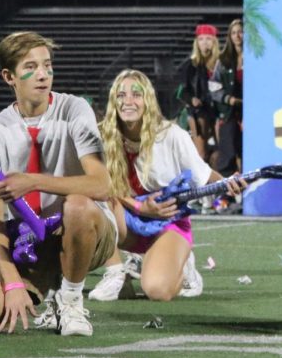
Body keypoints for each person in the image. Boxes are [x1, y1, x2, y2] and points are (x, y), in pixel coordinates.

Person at [88, 70, 244, 303]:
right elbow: (99, 185)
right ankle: (115, 272)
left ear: (148, 100)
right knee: (91, 199)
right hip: (127, 222)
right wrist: (139, 208)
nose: (128, 101)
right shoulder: (102, 136)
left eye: (136, 95)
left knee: (157, 291)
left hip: (166, 222)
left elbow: (202, 172)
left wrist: (226, 182)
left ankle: (183, 267)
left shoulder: (171, 135)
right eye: (121, 95)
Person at [0, 32, 117, 336]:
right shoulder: (1, 128)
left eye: (47, 65)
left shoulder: (74, 109)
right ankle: (42, 291)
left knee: (77, 205)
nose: (42, 74)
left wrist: (33, 182)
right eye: (31, 66)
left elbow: (101, 185)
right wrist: (11, 283)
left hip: (81, 230)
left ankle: (71, 300)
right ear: (9, 76)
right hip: (27, 244)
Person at [180, 24, 220, 163]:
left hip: (218, 110)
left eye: (208, 39)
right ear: (197, 42)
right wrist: (192, 99)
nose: (204, 42)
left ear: (214, 42)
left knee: (221, 153)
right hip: (199, 111)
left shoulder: (220, 64)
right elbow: (182, 91)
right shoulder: (190, 65)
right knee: (200, 155)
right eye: (201, 39)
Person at [212, 19, 244, 182]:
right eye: (233, 33)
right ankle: (226, 197)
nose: (237, 36)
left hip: (250, 112)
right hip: (229, 112)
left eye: (240, 31)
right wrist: (227, 99)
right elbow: (213, 86)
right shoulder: (223, 60)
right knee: (227, 154)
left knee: (247, 153)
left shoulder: (257, 57)